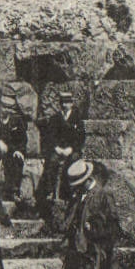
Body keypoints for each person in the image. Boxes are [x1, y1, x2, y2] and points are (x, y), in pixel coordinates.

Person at [53, 160, 120, 269]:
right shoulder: (77, 196)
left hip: (94, 247)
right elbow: (69, 219)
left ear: (88, 179)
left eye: (80, 184)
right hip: (75, 245)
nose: (76, 187)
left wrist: (96, 229)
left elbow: (113, 225)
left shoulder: (104, 195)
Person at [36, 91, 87, 229]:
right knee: (51, 162)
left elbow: (81, 138)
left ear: (71, 103)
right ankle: (48, 191)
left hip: (71, 149)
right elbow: (50, 136)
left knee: (73, 162)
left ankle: (69, 191)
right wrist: (56, 148)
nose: (65, 105)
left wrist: (71, 149)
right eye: (63, 102)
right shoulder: (55, 118)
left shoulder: (77, 119)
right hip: (58, 149)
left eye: (68, 102)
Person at [0, 98, 30, 204]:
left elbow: (22, 139)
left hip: (11, 151)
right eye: (4, 107)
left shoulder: (17, 121)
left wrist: (19, 150)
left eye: (9, 108)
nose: (6, 110)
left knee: (16, 159)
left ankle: (13, 191)